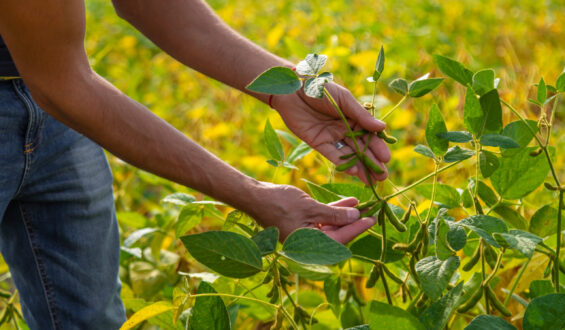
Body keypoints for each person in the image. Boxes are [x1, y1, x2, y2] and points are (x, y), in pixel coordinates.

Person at [0, 0, 391, 328]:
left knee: (90, 318)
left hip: (49, 86)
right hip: (55, 81)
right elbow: (65, 86)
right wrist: (254, 196)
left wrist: (288, 89)